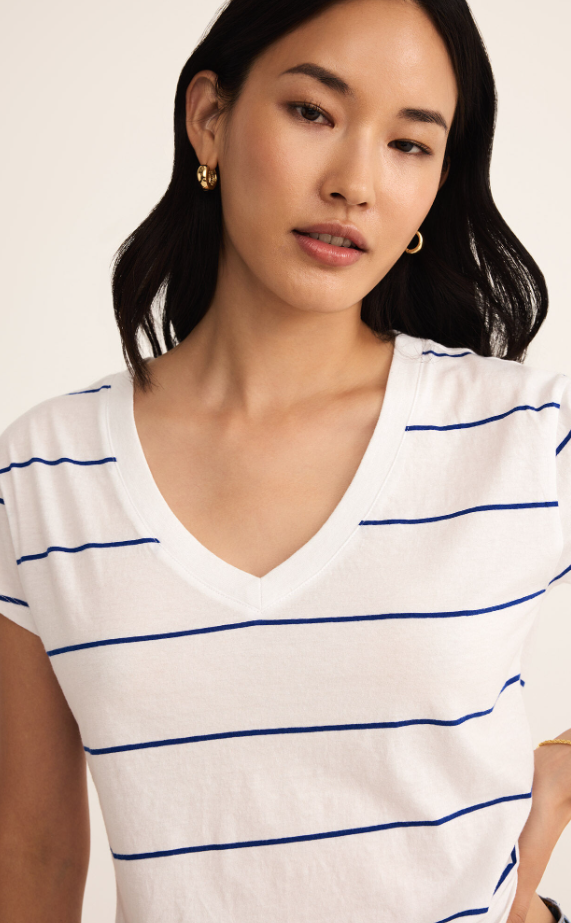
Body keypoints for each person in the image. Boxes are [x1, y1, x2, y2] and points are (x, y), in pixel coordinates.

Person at [0, 0, 570, 920]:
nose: (354, 183)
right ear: (209, 119)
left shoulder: (522, 433)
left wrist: (540, 821)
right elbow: (31, 850)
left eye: (409, 144)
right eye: (313, 112)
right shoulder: (46, 471)